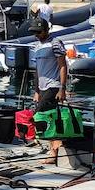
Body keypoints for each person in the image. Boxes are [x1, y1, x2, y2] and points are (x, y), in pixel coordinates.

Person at [30, 19, 68, 165]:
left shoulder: (56, 43)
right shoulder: (37, 46)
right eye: (35, 32)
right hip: (42, 87)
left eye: (39, 32)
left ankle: (55, 147)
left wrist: (62, 88)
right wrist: (37, 90)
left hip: (54, 85)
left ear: (46, 30)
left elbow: (63, 66)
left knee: (39, 115)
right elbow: (37, 69)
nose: (37, 35)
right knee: (47, 118)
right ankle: (53, 147)